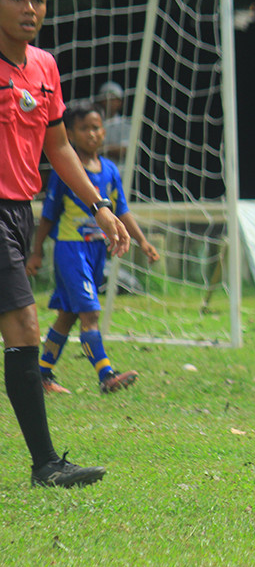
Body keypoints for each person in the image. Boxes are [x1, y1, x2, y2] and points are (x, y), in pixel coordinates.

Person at [0, 0, 130, 487]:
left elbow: (58, 147)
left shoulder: (45, 67)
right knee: (25, 325)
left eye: (38, 0)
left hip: (19, 212)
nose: (31, 9)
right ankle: (46, 466)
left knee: (22, 327)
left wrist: (100, 205)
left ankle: (45, 466)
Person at [26, 103, 159, 394]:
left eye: (97, 127)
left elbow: (120, 210)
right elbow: (48, 215)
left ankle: (42, 375)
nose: (93, 133)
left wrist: (142, 241)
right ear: (70, 134)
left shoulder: (110, 170)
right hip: (71, 251)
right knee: (90, 314)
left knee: (68, 315)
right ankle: (106, 375)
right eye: (85, 128)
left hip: (96, 251)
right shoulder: (67, 172)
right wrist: (36, 251)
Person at [95, 81, 128, 171]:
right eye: (105, 98)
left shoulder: (125, 125)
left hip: (118, 175)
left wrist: (101, 149)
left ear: (120, 102)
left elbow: (125, 151)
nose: (109, 101)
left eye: (113, 98)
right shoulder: (91, 123)